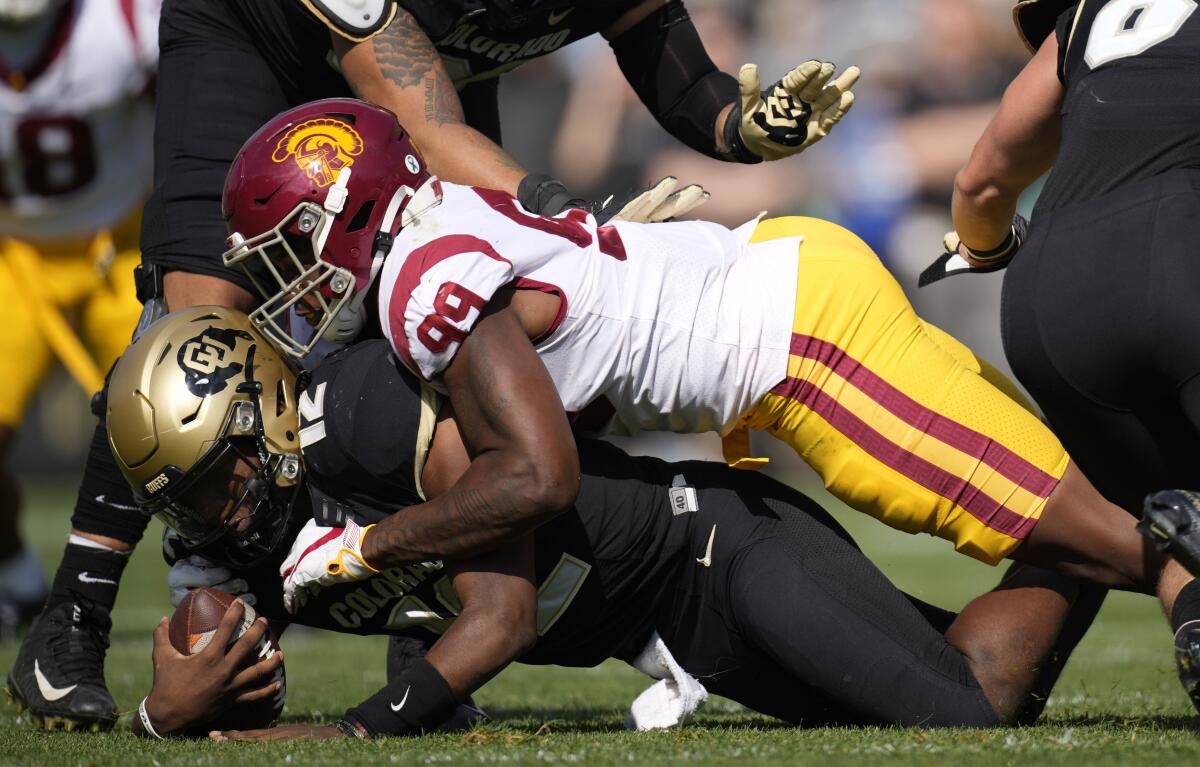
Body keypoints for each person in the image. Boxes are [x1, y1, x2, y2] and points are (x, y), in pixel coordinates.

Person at [8, 0, 857, 730]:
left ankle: (426, 624)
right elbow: (430, 126)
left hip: (425, 79)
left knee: (431, 300)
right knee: (199, 325)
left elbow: (679, 77)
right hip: (256, 38)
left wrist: (743, 129)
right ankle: (72, 617)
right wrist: (582, 232)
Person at [224, 96, 1200, 627]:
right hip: (789, 284)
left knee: (1120, 544)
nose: (291, 285)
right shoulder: (445, 214)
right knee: (1099, 502)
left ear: (336, 217)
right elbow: (579, 396)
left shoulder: (414, 285)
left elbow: (540, 473)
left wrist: (366, 545)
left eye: (286, 254)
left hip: (801, 343)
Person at [106, 307, 1104, 740]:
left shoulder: (371, 412)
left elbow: (501, 617)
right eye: (184, 495)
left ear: (263, 411)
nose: (214, 508)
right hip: (672, 631)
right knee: (956, 674)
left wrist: (359, 728)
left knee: (965, 710)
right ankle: (1095, 539)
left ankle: (1100, 504)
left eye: (215, 475)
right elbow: (216, 698)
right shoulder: (239, 532)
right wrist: (167, 710)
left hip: (712, 546)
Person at [926, 0, 1200, 708]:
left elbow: (980, 183)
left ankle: (986, 675)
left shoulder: (1086, 17)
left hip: (1051, 289)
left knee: (1101, 509)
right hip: (1181, 249)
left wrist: (987, 246)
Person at [0, 0, 155, 641]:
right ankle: (15, 574)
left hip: (120, 245)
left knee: (189, 417)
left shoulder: (126, 20)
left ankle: (238, 577)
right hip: (13, 255)